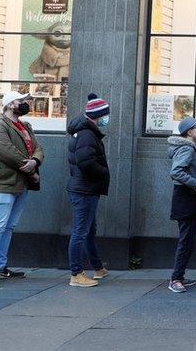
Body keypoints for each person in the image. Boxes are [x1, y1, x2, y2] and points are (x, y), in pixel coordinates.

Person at [0, 91, 42, 288]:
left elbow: (38, 148)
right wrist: (31, 169)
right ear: (10, 104)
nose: (25, 104)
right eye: (21, 101)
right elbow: (7, 152)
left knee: (8, 226)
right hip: (2, 184)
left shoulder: (25, 126)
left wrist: (36, 160)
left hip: (20, 184)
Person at [66, 93, 112, 288]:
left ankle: (98, 267)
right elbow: (86, 163)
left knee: (89, 230)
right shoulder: (86, 134)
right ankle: (76, 274)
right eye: (105, 115)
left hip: (85, 189)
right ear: (97, 116)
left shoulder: (86, 131)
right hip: (85, 190)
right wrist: (105, 172)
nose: (106, 119)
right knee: (81, 231)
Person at [167, 116, 196, 293]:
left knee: (188, 239)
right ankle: (175, 278)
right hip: (186, 198)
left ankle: (180, 275)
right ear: (190, 132)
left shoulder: (187, 148)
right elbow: (176, 172)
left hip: (187, 198)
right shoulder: (187, 149)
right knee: (186, 240)